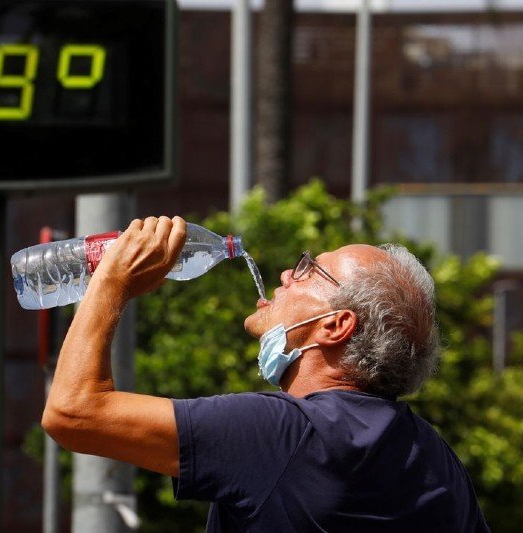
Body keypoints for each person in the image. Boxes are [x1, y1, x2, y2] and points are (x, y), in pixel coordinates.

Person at [42, 215, 489, 532]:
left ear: (336, 326)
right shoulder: (435, 458)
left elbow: (73, 412)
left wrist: (111, 281)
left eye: (310, 270)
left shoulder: (282, 434)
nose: (286, 275)